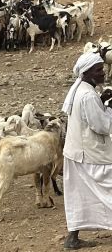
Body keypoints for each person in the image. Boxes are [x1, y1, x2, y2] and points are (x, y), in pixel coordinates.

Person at [61, 52, 111, 249]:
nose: (103, 73)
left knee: (78, 196)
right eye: (98, 70)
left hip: (76, 151)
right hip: (90, 154)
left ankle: (72, 238)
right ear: (87, 72)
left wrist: (103, 101)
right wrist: (109, 108)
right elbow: (101, 126)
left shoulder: (79, 88)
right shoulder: (88, 95)